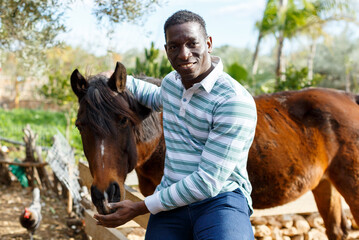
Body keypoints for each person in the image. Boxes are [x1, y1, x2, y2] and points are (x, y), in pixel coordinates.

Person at [94, 10, 257, 240]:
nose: (183, 54)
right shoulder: (173, 83)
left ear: (208, 43)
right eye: (174, 46)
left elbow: (207, 182)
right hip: (171, 199)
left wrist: (140, 207)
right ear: (166, 50)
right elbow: (154, 96)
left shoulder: (233, 101)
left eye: (192, 43)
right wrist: (112, 77)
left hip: (219, 200)